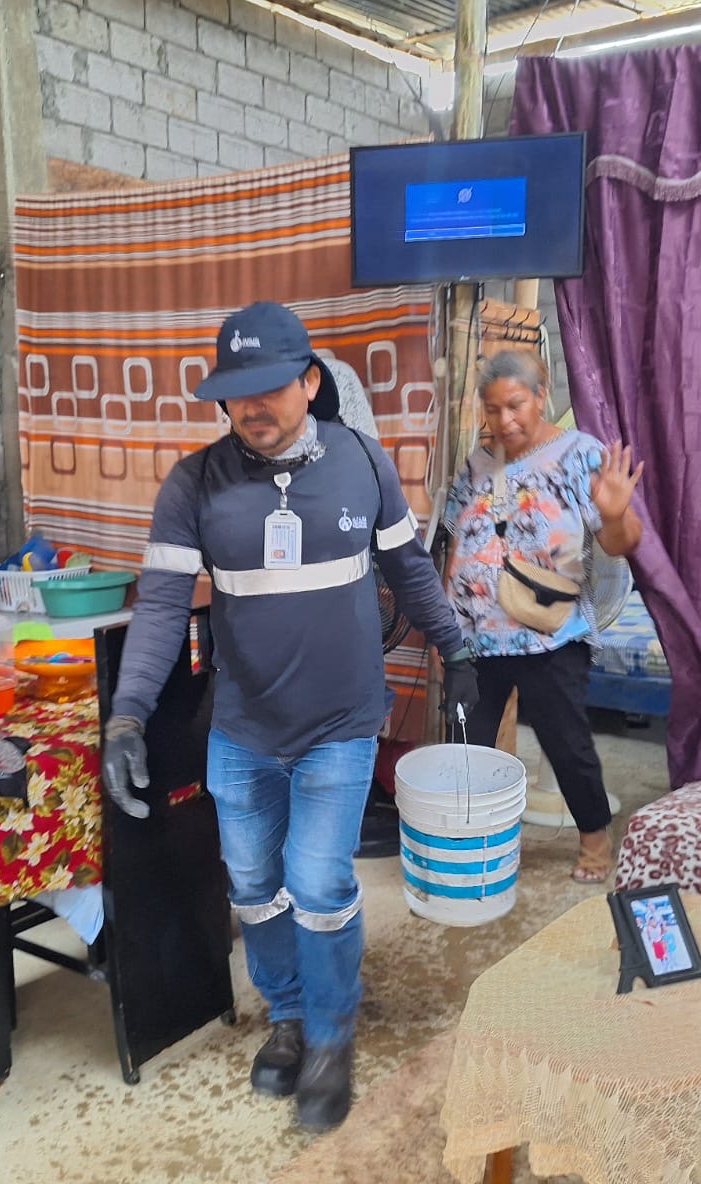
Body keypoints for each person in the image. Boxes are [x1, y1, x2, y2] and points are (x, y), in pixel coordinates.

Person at [101, 301, 477, 1132]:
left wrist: (459, 650)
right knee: (253, 886)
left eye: (270, 387)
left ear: (310, 382)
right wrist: (126, 716)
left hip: (339, 723)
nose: (253, 407)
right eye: (237, 393)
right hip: (243, 727)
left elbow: (410, 573)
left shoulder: (363, 463)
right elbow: (161, 606)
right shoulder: (194, 484)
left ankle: (332, 1037)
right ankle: (290, 1015)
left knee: (318, 883)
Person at [443, 348, 643, 884]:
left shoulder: (581, 454)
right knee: (465, 744)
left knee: (565, 743)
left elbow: (622, 544)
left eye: (515, 405)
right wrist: (447, 620)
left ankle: (595, 841)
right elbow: (457, 541)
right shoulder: (477, 462)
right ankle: (468, 840)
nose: (504, 420)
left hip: (550, 637)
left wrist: (616, 514)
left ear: (541, 394)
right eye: (493, 408)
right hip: (476, 637)